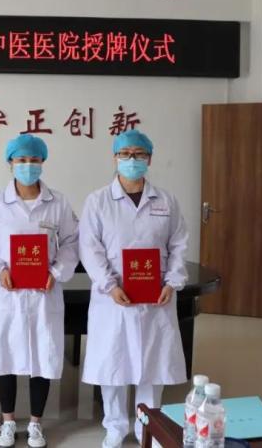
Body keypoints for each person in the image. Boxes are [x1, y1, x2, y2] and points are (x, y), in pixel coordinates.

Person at [79, 129, 189, 448]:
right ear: (115, 158)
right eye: (125, 154)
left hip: (156, 296)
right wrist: (109, 285)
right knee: (113, 363)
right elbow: (90, 248)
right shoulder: (98, 201)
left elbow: (179, 244)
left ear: (149, 159)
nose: (132, 159)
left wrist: (173, 281)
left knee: (152, 366)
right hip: (114, 298)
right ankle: (114, 426)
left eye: (139, 154)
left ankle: (148, 427)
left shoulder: (166, 200)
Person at [0, 134, 79, 448]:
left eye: (34, 160)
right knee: (5, 357)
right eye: (21, 160)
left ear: (42, 162)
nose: (28, 166)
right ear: (10, 163)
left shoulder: (58, 202)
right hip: (6, 294)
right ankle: (7, 421)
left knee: (42, 358)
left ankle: (35, 423)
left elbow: (72, 242)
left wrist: (56, 271)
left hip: (44, 293)